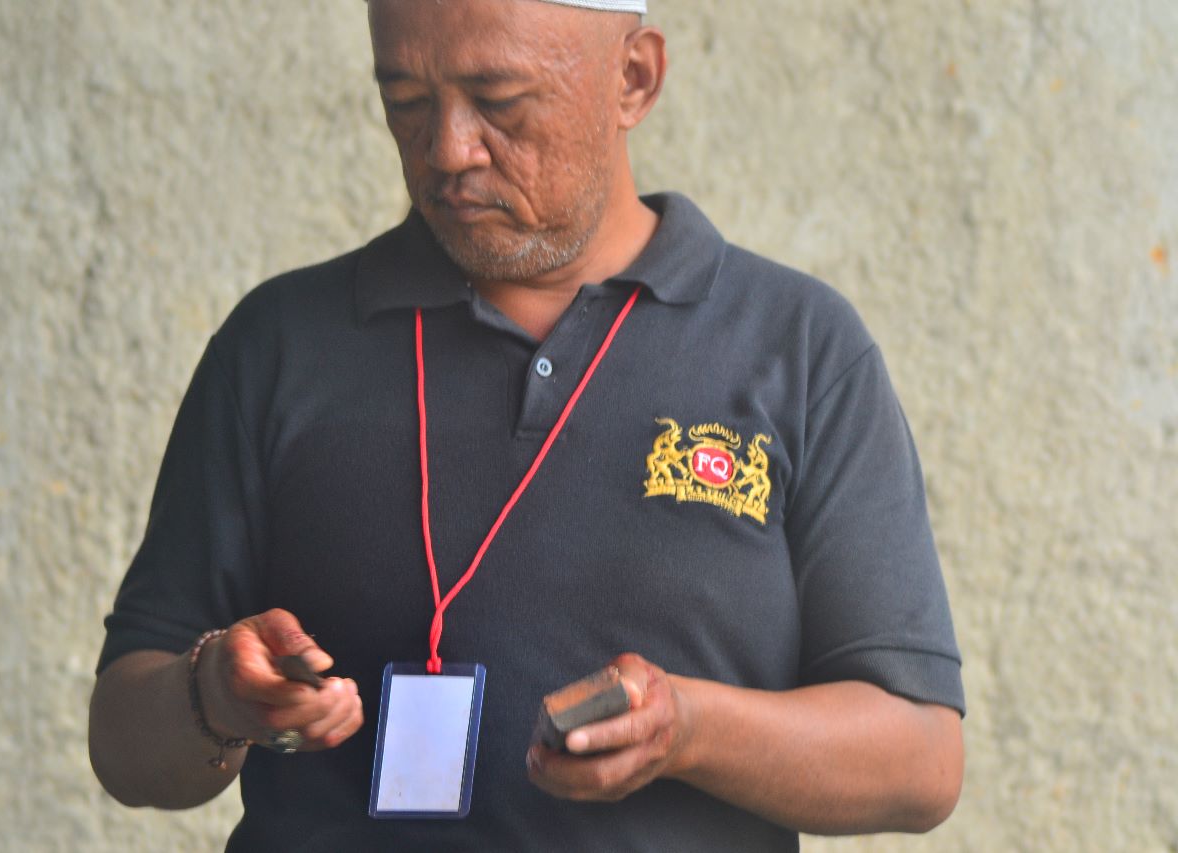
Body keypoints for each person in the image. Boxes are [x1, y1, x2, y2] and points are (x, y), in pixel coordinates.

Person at [89, 0, 966, 849]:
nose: (448, 149)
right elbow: (123, 738)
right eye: (406, 102)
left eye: (499, 102)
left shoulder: (798, 347)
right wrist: (213, 695)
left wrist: (690, 729)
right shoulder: (279, 343)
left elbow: (920, 759)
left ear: (634, 78)